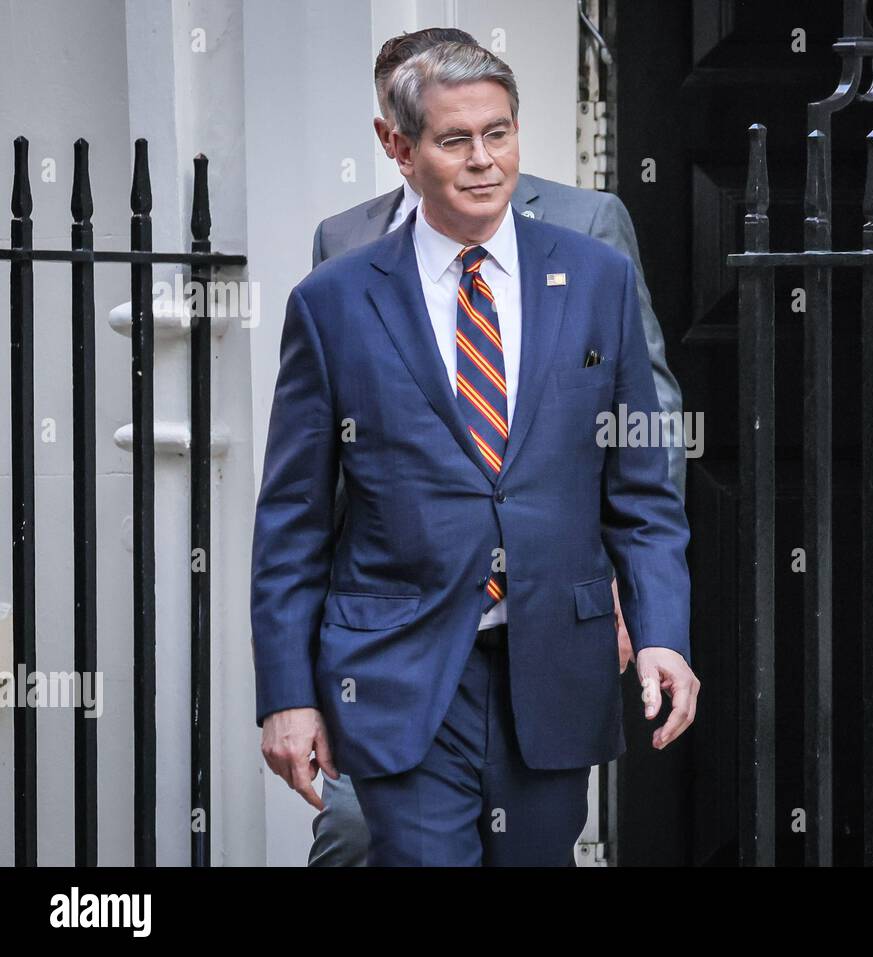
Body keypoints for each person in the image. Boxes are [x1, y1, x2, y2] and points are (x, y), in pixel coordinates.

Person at [252, 40, 698, 866]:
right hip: (400, 664)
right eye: (456, 141)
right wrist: (287, 694)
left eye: (500, 133)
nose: (484, 161)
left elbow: (642, 488)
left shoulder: (595, 275)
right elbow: (294, 516)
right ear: (403, 149)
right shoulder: (334, 299)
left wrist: (660, 628)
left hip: (552, 662)